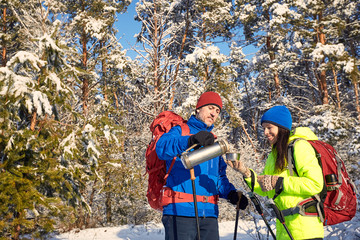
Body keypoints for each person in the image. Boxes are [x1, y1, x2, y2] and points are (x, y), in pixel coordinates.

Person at [155, 91, 248, 240]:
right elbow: (161, 148)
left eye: (217, 111)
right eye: (210, 108)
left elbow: (218, 178)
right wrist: (190, 141)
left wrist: (231, 194)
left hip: (209, 215)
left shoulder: (213, 144)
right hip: (180, 212)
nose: (214, 114)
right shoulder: (181, 131)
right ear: (198, 108)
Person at [226, 105, 324, 240]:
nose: (265, 132)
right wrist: (246, 173)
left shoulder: (300, 147)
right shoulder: (274, 155)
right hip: (284, 230)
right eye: (264, 128)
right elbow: (266, 188)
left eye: (269, 127)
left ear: (282, 128)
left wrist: (279, 182)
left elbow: (315, 183)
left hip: (306, 230)